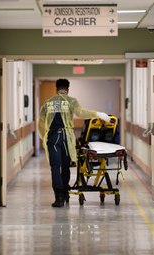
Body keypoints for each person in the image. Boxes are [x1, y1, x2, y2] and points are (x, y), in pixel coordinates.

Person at [38, 78, 110, 207]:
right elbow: (81, 112)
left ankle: (59, 197)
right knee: (65, 166)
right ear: (67, 89)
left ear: (56, 88)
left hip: (53, 138)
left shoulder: (48, 103)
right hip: (67, 138)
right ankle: (65, 192)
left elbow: (40, 122)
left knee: (55, 167)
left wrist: (45, 137)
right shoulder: (71, 101)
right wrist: (97, 114)